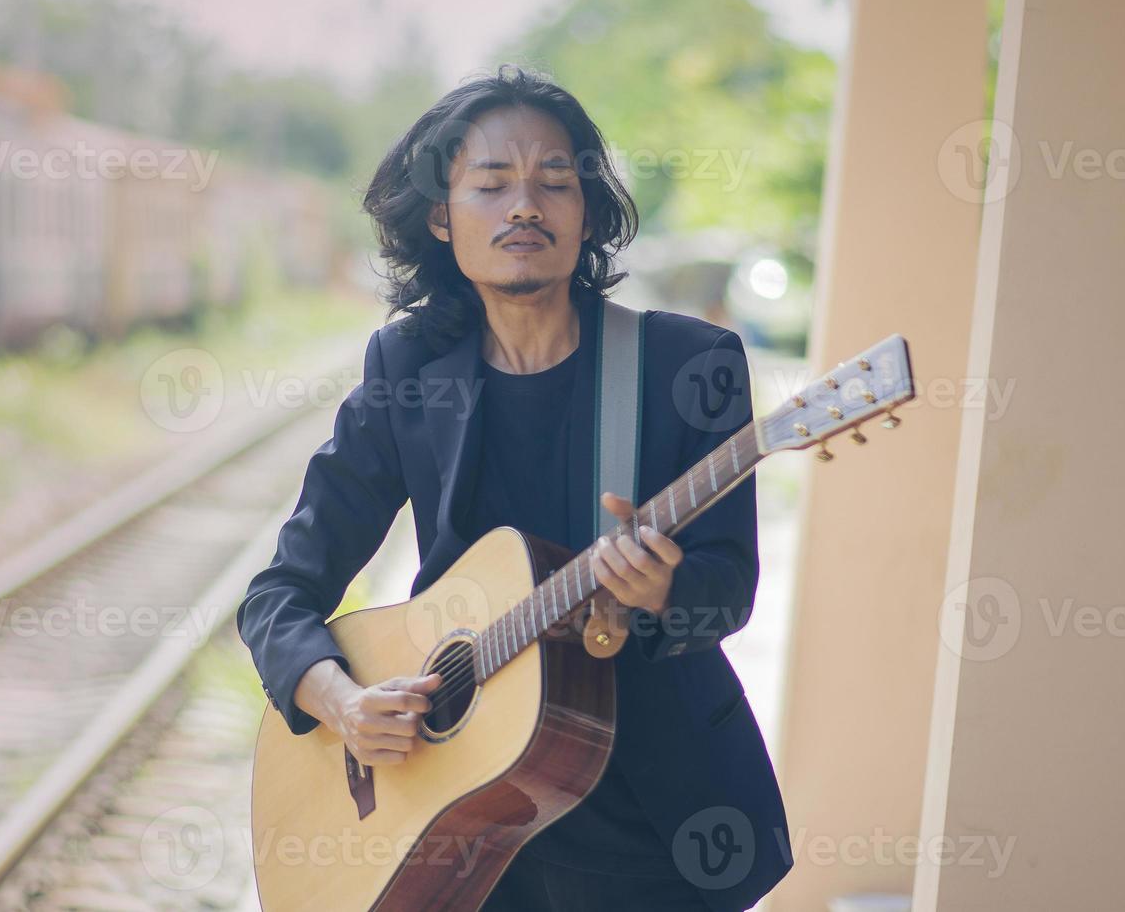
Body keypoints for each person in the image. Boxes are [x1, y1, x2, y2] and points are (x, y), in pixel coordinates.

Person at [236, 64, 791, 912]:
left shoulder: (686, 366)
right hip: (454, 815)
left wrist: (664, 590)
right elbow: (281, 594)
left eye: (555, 182)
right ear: (441, 217)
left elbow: (729, 591)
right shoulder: (410, 369)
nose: (525, 206)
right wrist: (341, 699)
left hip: (649, 821)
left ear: (586, 213)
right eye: (492, 184)